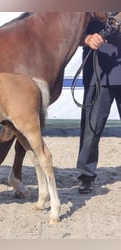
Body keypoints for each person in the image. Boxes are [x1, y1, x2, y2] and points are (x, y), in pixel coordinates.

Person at [76, 18, 121, 194]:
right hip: (97, 73)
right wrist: (86, 38)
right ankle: (86, 175)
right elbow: (69, 31)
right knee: (91, 128)